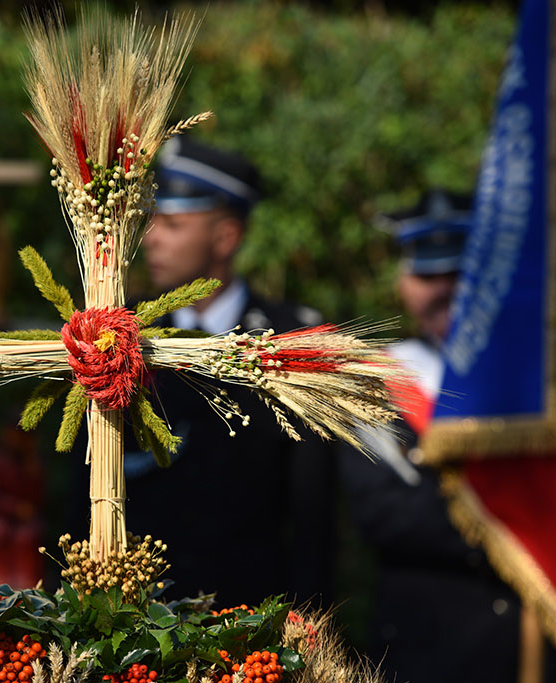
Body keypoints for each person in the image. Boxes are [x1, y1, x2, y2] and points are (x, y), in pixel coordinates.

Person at [337, 190, 556, 683]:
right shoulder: (377, 380)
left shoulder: (547, 377)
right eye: (427, 276)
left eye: (459, 274)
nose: (444, 290)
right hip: (430, 644)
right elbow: (386, 514)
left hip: (540, 644)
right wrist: (513, 528)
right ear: (404, 284)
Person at [117, 137, 333, 608]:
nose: (151, 238)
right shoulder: (119, 335)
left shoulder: (288, 340)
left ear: (226, 237)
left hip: (252, 620)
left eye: (173, 224)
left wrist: (307, 623)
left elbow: (313, 517)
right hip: (137, 622)